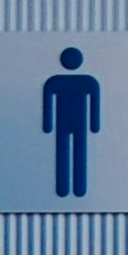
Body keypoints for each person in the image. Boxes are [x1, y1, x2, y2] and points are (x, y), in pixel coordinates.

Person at [42, 48, 103, 199]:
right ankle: (68, 189)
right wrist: (94, 125)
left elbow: (95, 104)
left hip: (69, 123)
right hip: (73, 124)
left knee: (72, 153)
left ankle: (75, 189)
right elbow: (47, 104)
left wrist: (48, 124)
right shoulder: (85, 81)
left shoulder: (58, 81)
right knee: (70, 152)